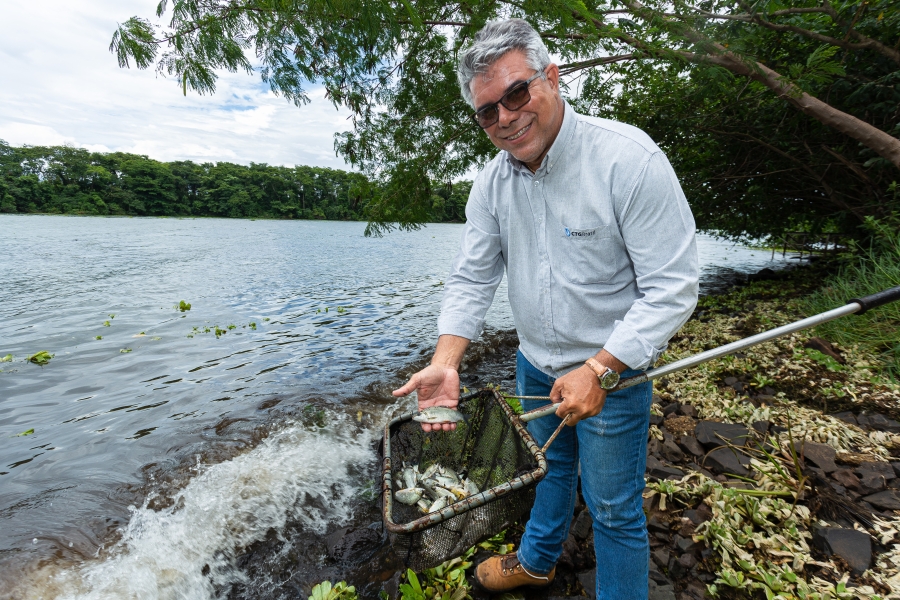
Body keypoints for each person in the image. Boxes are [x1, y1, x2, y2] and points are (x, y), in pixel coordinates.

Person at [392, 18, 699, 600]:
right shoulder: (490, 184)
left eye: (516, 93)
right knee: (550, 468)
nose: (505, 116)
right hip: (534, 363)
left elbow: (674, 287)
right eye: (487, 111)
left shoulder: (628, 159)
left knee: (613, 508)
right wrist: (446, 361)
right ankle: (536, 560)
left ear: (551, 79)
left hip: (616, 369)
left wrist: (601, 369)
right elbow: (473, 275)